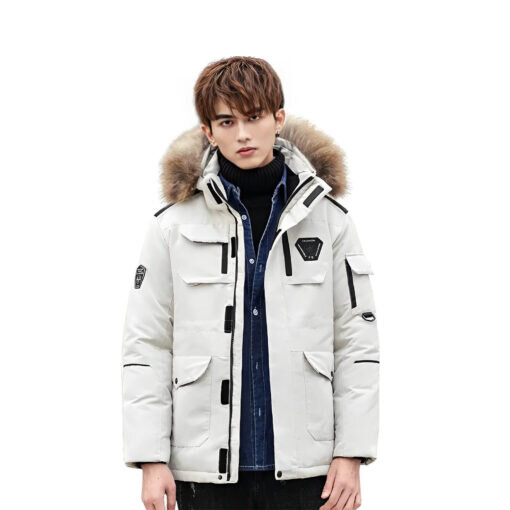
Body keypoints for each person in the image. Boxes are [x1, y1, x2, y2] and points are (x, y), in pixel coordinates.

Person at [121, 56, 380, 510]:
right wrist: (151, 458)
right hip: (204, 471)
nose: (242, 134)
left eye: (254, 117)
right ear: (208, 131)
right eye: (227, 121)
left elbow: (357, 341)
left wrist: (351, 452)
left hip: (309, 472)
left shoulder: (330, 220)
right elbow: (147, 344)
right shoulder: (171, 226)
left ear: (278, 118)